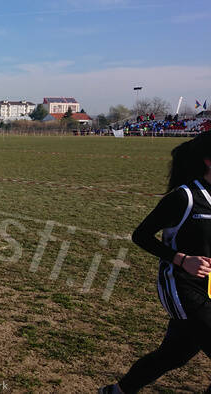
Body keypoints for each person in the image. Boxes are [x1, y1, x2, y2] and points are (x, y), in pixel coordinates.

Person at [100, 131, 211, 394]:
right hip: (182, 287)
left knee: (174, 355)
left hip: (209, 288)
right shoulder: (185, 198)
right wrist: (182, 259)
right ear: (208, 161)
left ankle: (116, 392)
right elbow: (140, 235)